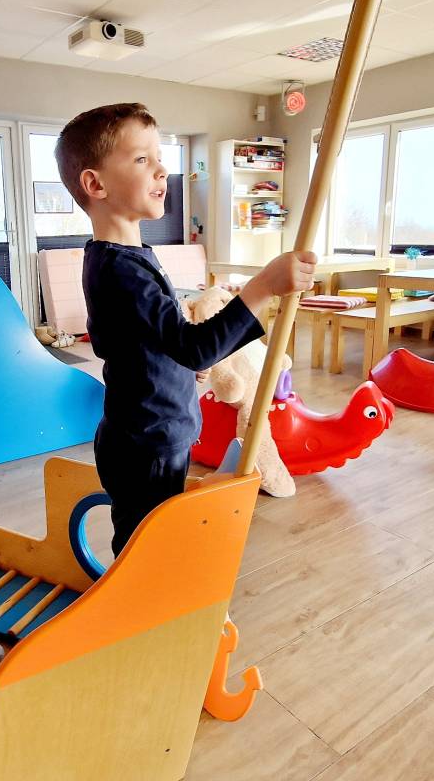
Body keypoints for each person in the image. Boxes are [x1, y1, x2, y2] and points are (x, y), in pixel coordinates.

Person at [55, 103, 317, 555]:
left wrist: (175, 366)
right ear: (96, 184)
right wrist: (263, 286)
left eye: (160, 157)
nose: (162, 170)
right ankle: (143, 597)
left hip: (154, 433)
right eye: (142, 159)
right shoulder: (120, 270)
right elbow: (195, 347)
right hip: (146, 443)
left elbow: (141, 338)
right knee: (147, 547)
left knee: (155, 534)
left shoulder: (128, 256)